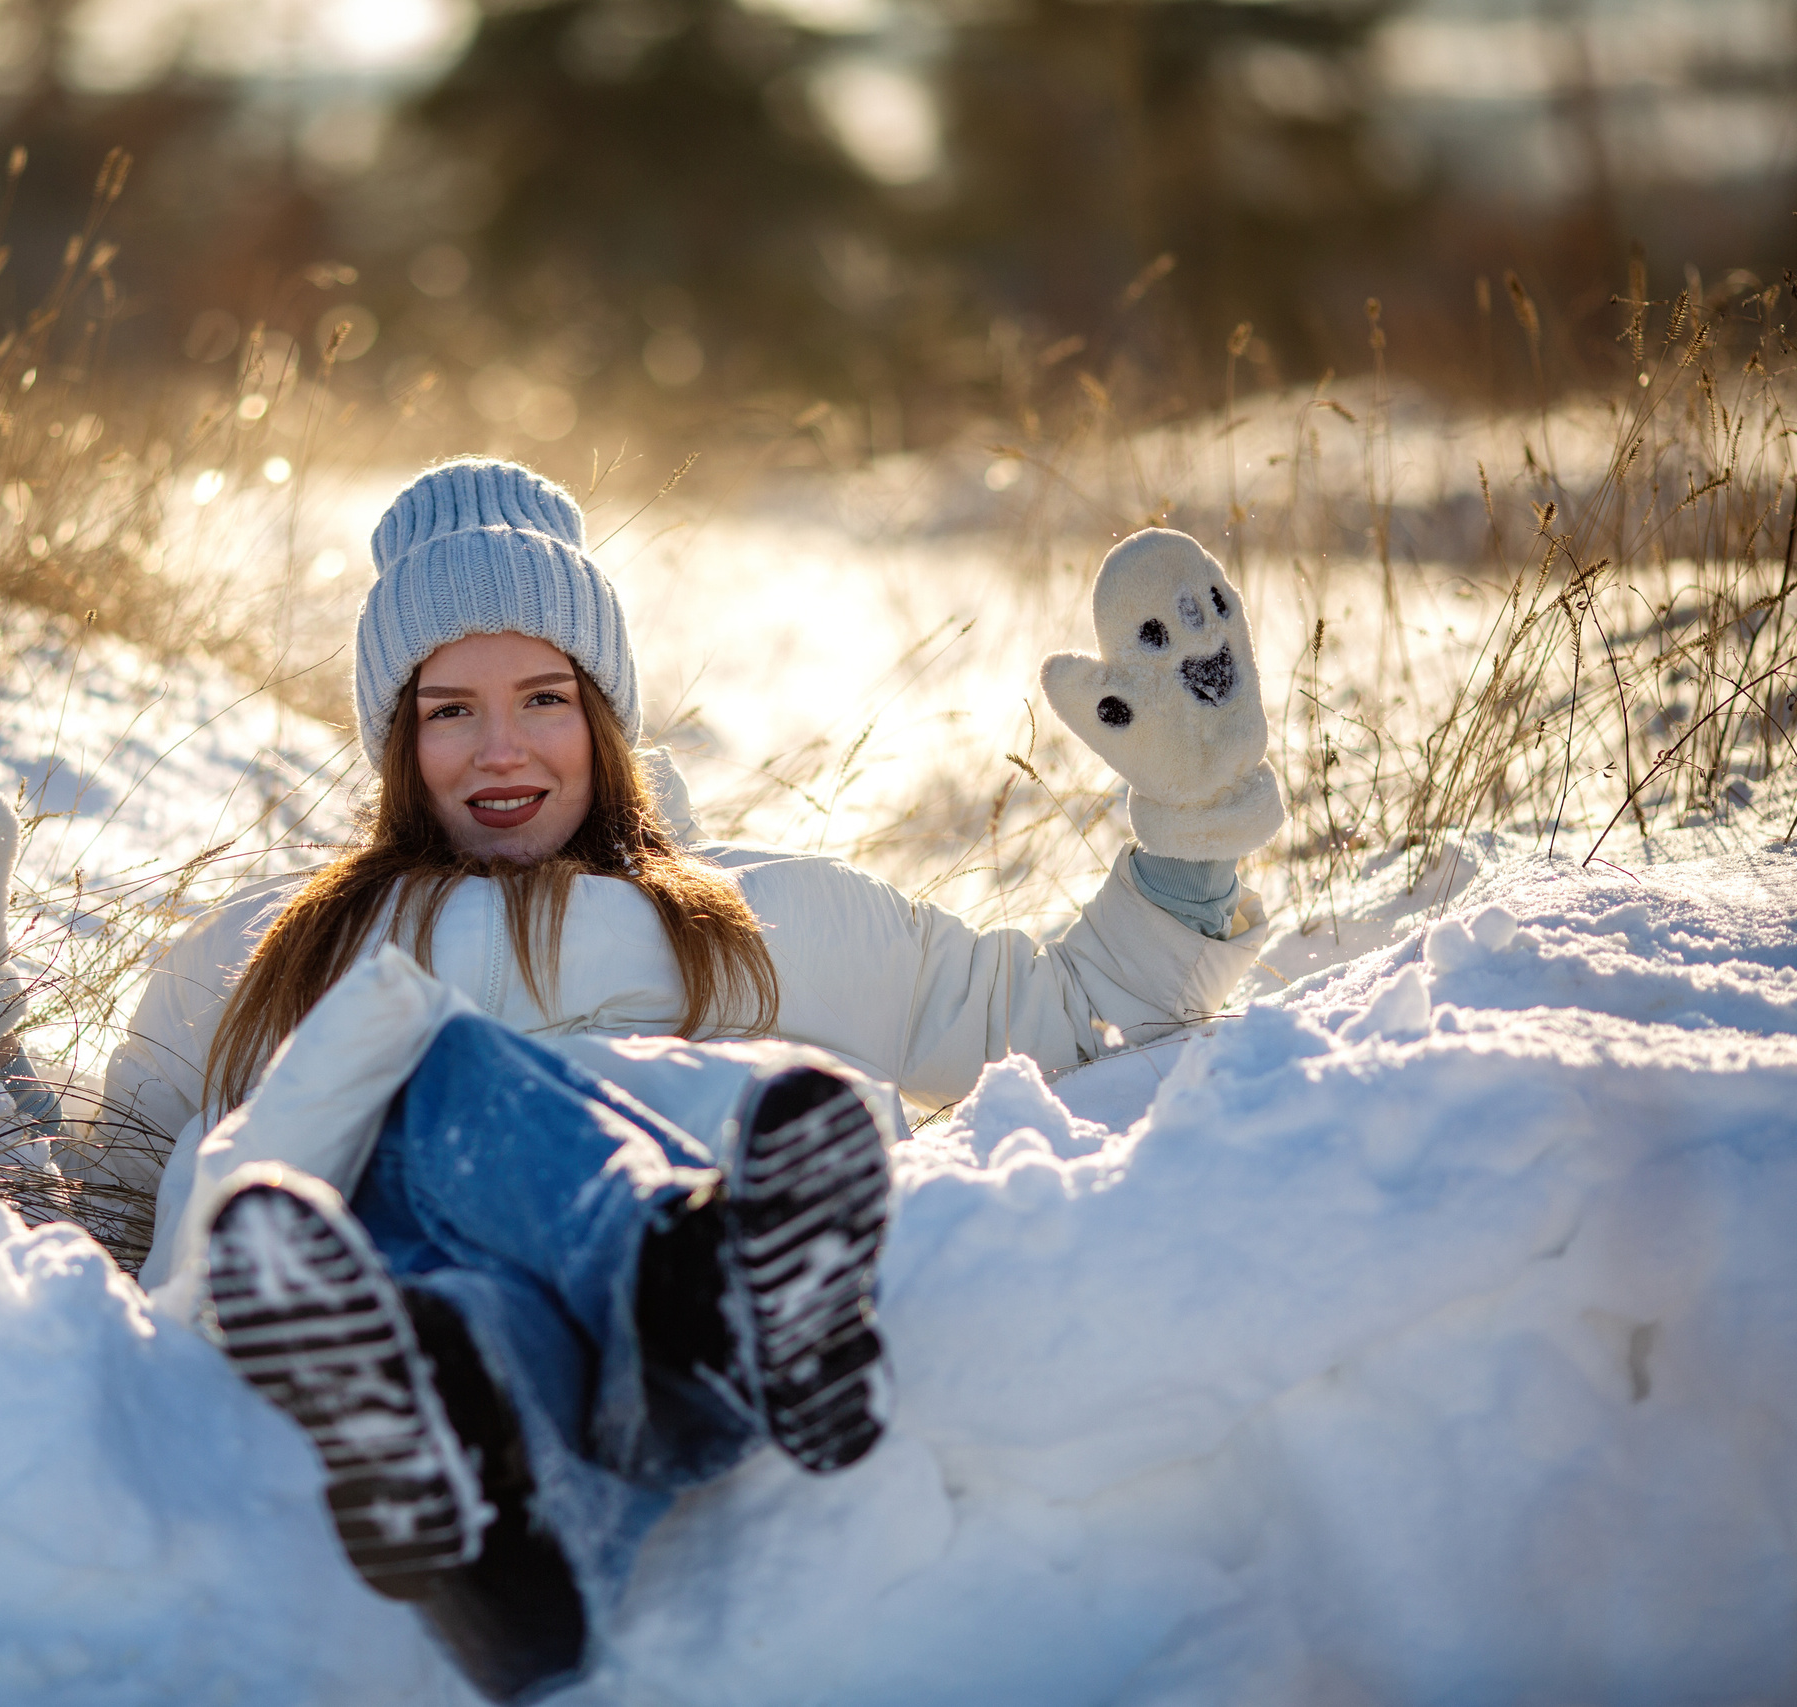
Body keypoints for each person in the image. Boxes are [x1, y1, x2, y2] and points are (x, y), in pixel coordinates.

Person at [74, 457, 1279, 1701]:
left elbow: (1049, 1016)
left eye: (543, 697)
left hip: (582, 1238)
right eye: (448, 710)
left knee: (451, 1193)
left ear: (604, 714)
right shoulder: (265, 948)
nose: (499, 751)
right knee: (427, 1168)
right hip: (381, 1254)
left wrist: (1189, 837)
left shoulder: (760, 915)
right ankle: (624, 1381)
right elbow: (100, 1181)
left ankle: (597, 1427)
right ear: (396, 735)